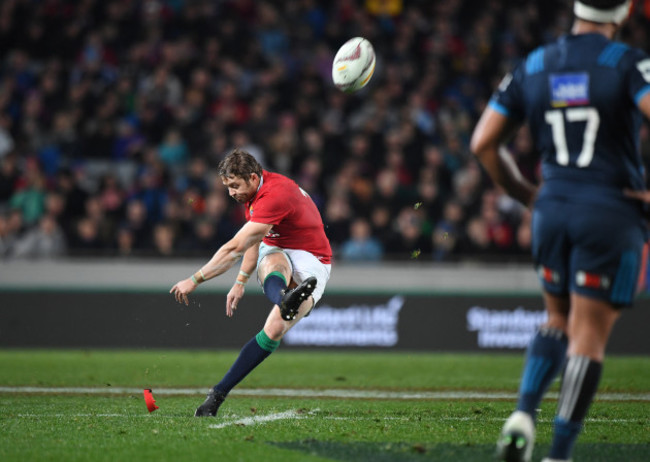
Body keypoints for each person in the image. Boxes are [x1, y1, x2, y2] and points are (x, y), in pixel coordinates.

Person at [470, 1, 650, 461]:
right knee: (587, 334)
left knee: (556, 319)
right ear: (626, 9)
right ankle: (559, 454)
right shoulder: (628, 63)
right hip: (609, 209)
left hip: (552, 208)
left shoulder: (535, 63)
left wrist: (527, 193)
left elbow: (483, 143)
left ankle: (523, 414)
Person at [170, 149, 332, 417]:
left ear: (254, 177)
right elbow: (256, 241)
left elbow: (235, 248)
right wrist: (240, 281)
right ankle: (216, 397)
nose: (232, 193)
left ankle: (286, 300)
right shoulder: (256, 193)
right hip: (279, 249)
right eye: (228, 187)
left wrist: (194, 279)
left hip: (313, 258)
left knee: (275, 329)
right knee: (274, 259)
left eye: (235, 186)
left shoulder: (275, 195)